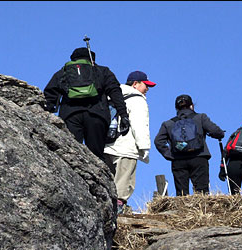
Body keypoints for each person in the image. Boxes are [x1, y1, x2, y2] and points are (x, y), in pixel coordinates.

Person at [43, 47, 130, 163]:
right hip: (97, 115)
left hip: (70, 115)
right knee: (96, 155)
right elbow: (115, 92)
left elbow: (50, 93)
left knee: (71, 153)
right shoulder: (102, 71)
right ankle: (97, 178)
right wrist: (123, 115)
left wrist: (47, 113)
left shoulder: (63, 72)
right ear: (92, 59)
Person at [104, 71, 156, 214]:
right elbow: (139, 125)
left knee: (108, 181)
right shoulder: (137, 99)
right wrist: (144, 147)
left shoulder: (111, 96)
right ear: (135, 84)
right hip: (126, 148)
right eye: (145, 85)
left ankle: (107, 208)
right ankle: (118, 209)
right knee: (124, 182)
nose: (147, 89)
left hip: (107, 145)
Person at [154, 94, 224, 196]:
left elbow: (158, 141)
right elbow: (216, 132)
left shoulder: (168, 123)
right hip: (199, 157)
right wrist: (218, 134)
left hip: (178, 160)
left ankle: (182, 211)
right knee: (202, 192)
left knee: (182, 194)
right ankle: (201, 211)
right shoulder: (200, 118)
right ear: (192, 106)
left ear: (176, 108)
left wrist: (170, 155)